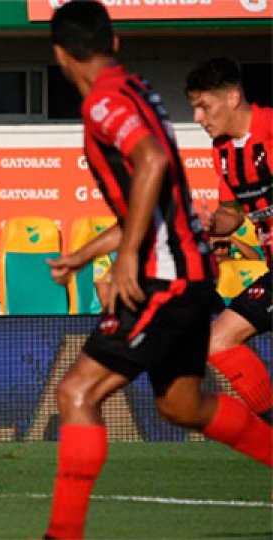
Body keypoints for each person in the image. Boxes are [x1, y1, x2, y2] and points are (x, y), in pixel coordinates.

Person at [43, 2, 272, 538]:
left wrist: (125, 260)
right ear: (114, 44)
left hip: (164, 280)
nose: (199, 116)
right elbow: (151, 196)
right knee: (182, 405)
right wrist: (83, 254)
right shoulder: (134, 88)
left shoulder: (104, 102)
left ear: (59, 55)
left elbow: (151, 162)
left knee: (77, 394)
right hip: (190, 276)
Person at [186, 57, 272, 424]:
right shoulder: (223, 152)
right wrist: (210, 223)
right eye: (194, 108)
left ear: (234, 97)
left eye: (204, 106)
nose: (198, 118)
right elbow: (232, 214)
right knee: (217, 341)